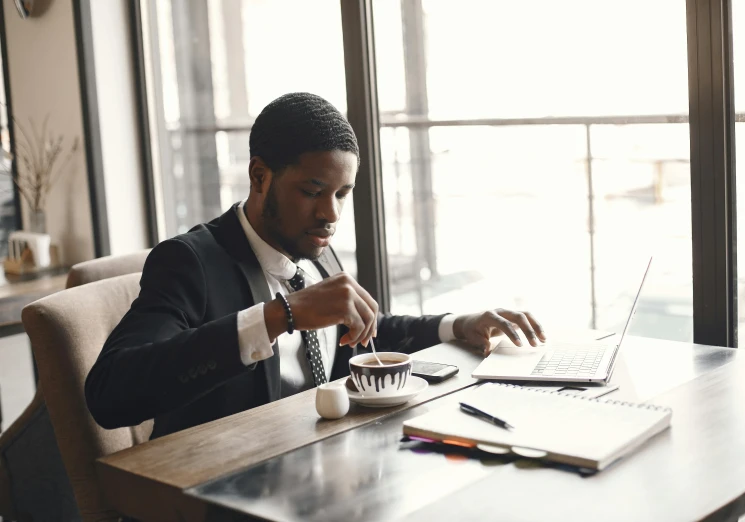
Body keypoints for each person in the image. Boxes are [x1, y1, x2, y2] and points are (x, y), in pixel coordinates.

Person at [84, 92, 545, 439]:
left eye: (342, 194)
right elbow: (109, 394)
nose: (331, 214)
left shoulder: (312, 245)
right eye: (313, 190)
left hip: (326, 471)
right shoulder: (188, 262)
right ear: (260, 176)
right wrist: (280, 316)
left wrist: (456, 326)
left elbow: (366, 330)